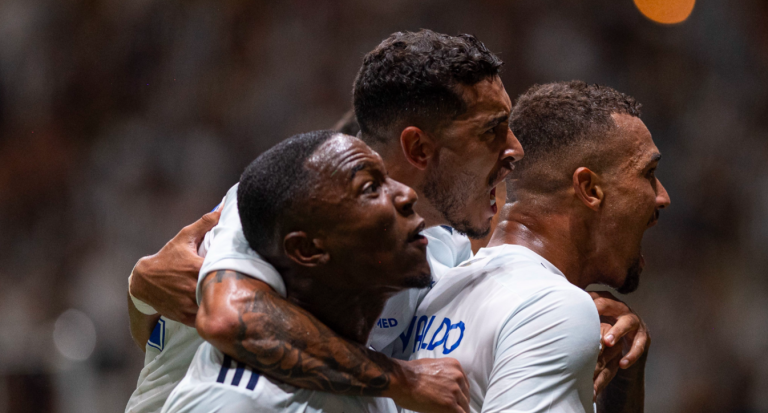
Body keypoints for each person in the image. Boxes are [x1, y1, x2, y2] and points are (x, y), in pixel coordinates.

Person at [128, 30, 648, 412]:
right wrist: (402, 379)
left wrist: (593, 313)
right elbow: (228, 319)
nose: (515, 149)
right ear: (418, 147)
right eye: (492, 130)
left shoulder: (439, 249)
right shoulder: (282, 202)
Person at [395, 81, 669, 413]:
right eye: (648, 173)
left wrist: (624, 381)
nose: (662, 197)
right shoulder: (553, 307)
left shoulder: (440, 290)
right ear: (590, 188)